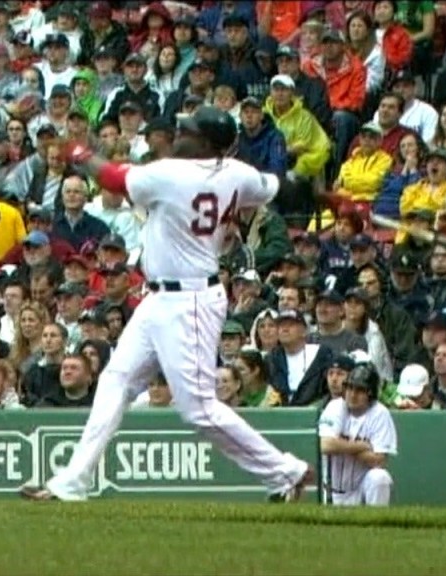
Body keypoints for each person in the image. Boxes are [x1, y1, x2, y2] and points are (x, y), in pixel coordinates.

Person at [20, 106, 314, 503]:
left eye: (188, 131)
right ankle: (74, 479)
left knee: (198, 409)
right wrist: (323, 193)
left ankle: (286, 471)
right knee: (116, 379)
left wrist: (78, 153)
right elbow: (278, 186)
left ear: (207, 142)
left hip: (189, 299)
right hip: (162, 297)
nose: (179, 133)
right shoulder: (237, 172)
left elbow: (109, 177)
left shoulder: (171, 174)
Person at [318, 362, 397, 506]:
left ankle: (376, 524)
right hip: (331, 491)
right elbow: (326, 445)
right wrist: (361, 446)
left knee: (380, 478)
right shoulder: (335, 406)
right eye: (350, 388)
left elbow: (379, 460)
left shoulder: (380, 413)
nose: (353, 394)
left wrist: (341, 445)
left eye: (360, 390)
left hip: (360, 489)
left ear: (370, 393)